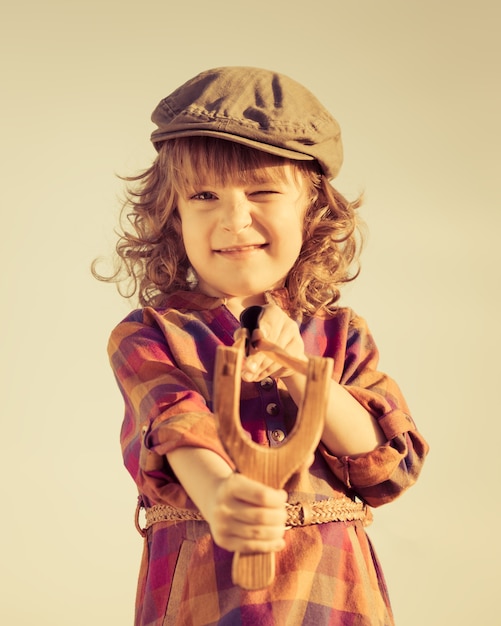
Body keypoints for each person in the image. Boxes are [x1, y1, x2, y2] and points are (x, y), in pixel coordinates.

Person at [97, 66, 429, 626]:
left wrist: (300, 370)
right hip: (207, 593)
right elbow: (177, 426)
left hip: (334, 595)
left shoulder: (342, 336)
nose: (233, 219)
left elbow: (385, 468)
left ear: (313, 209)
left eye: (262, 192)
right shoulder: (150, 334)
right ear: (173, 216)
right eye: (204, 195)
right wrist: (220, 493)